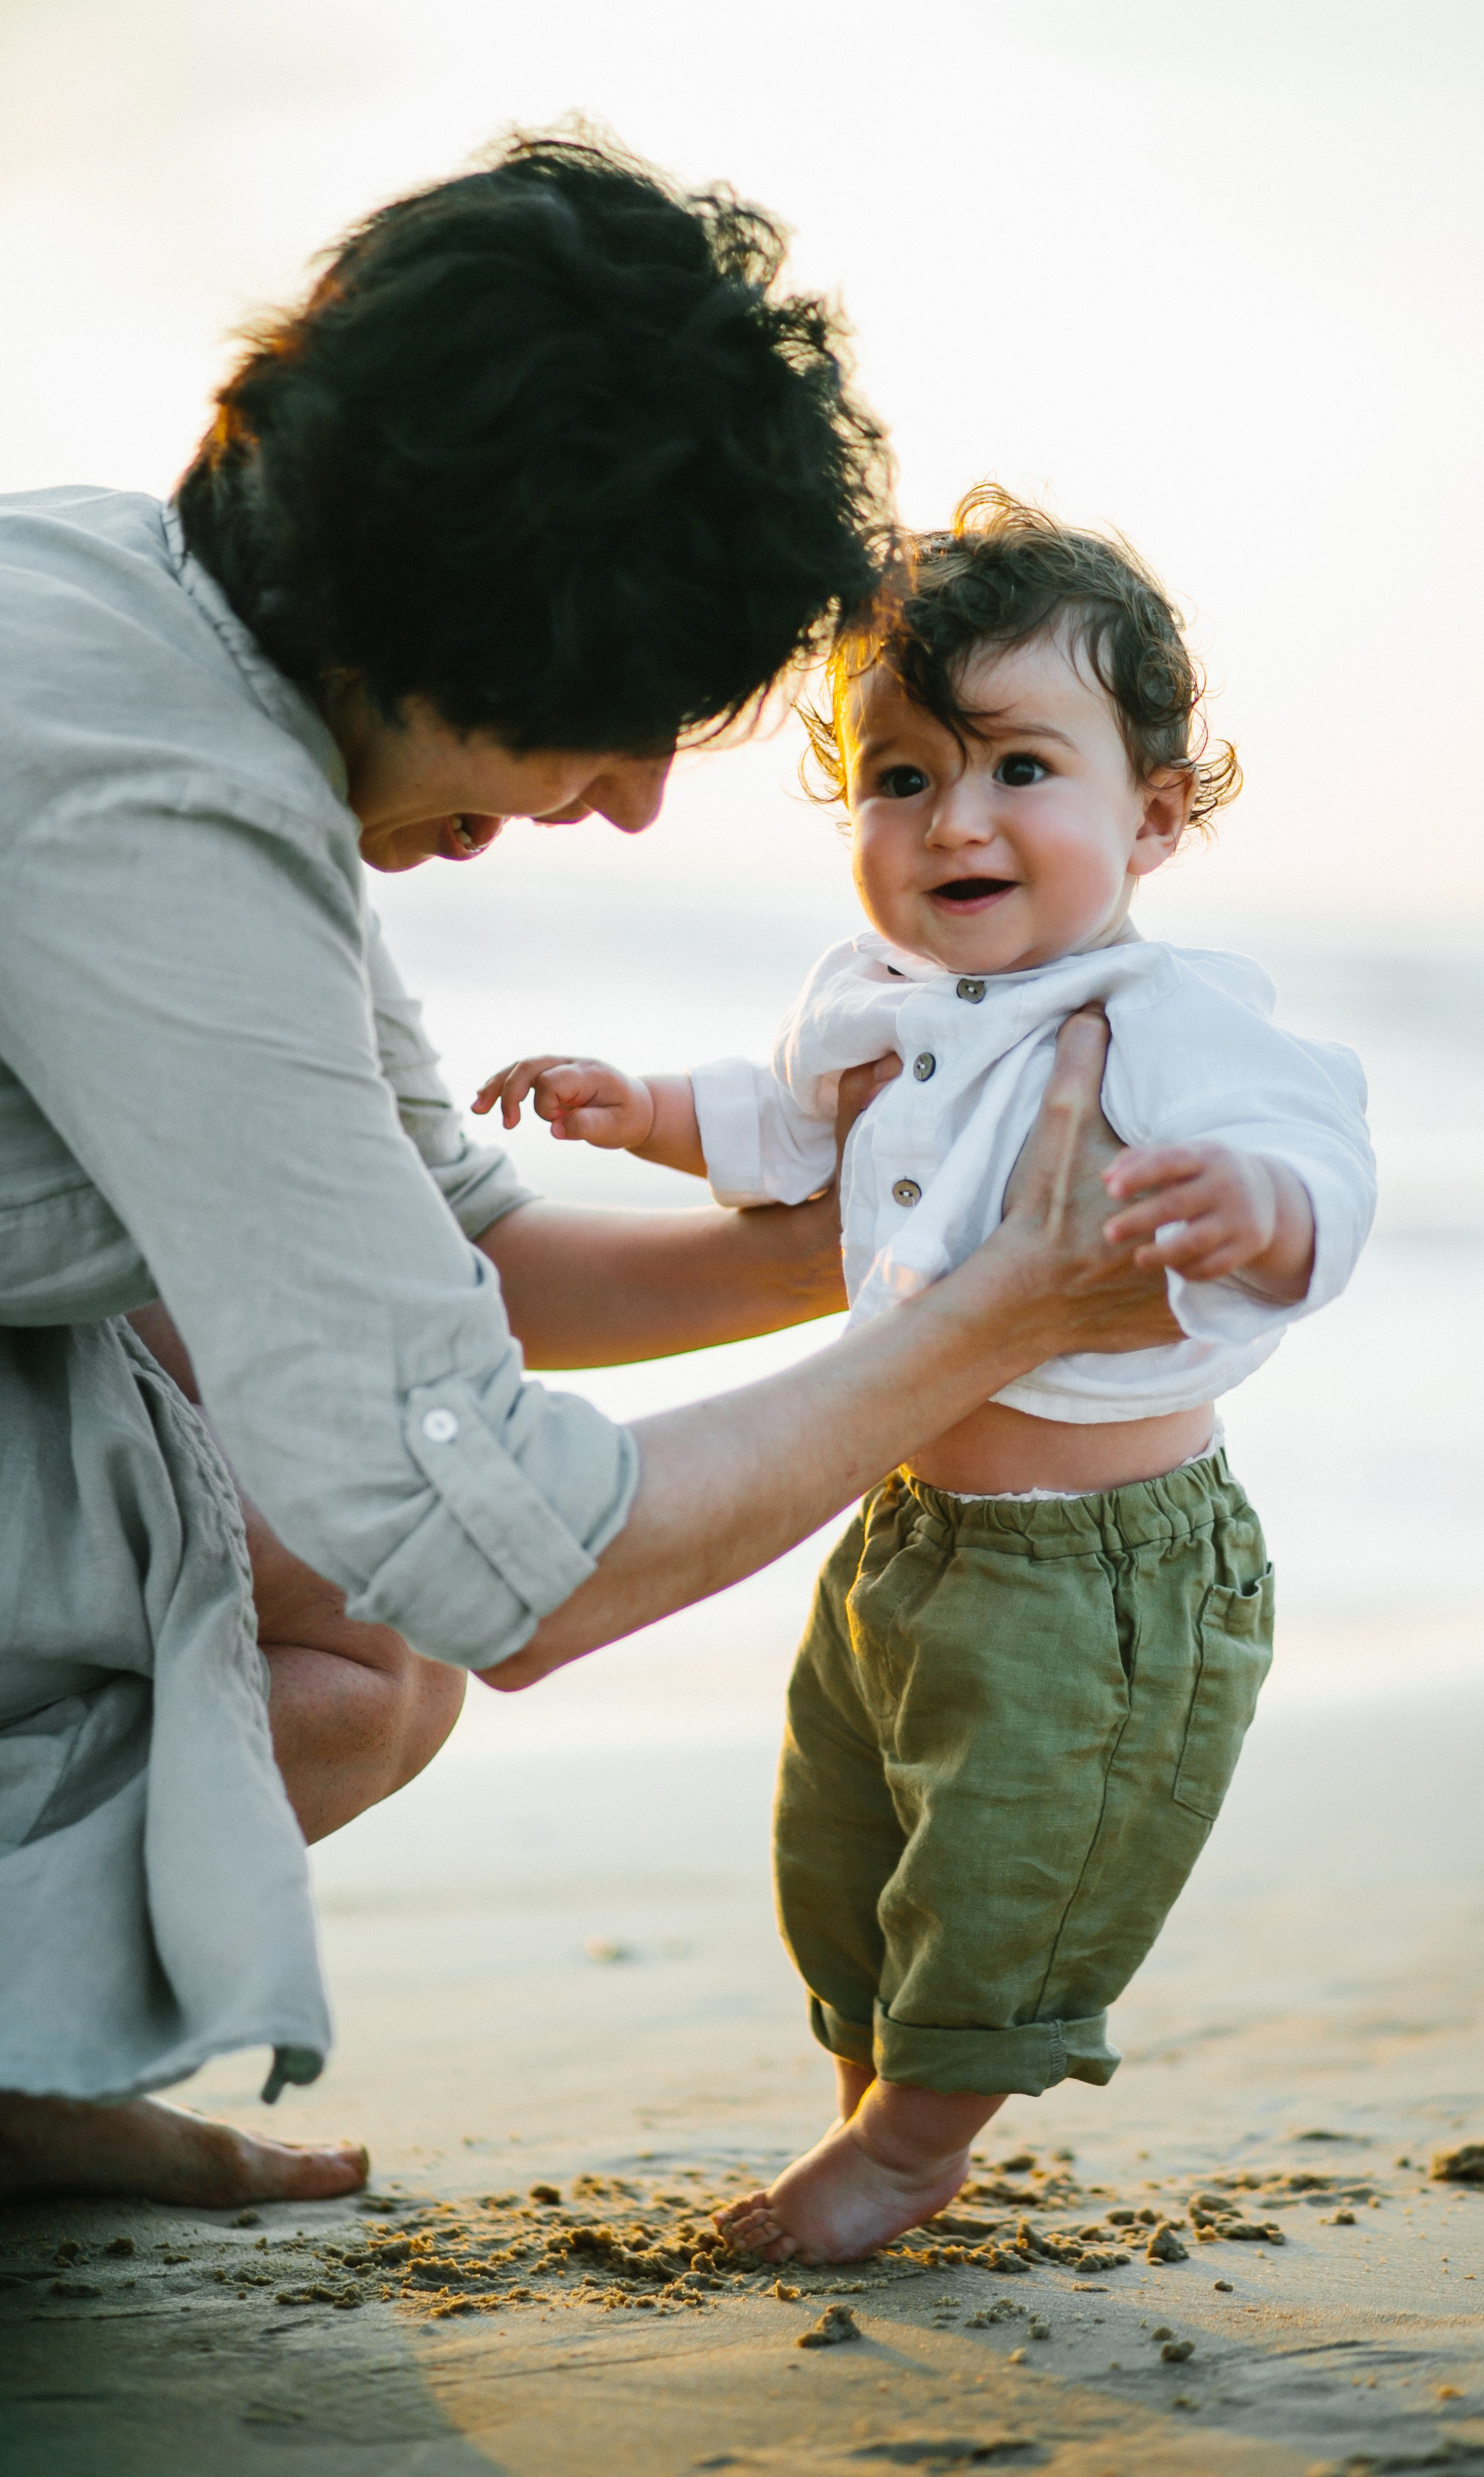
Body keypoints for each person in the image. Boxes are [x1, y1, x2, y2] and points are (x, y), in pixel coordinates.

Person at [0, 145, 1178, 2211]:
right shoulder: (154, 799)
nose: (627, 804)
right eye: (612, 725)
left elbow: (455, 1239)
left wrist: (877, 1235)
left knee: (353, 1657)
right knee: (397, 1598)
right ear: (461, 620)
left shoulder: (154, 625)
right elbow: (513, 1562)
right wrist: (990, 1322)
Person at [471, 489, 1377, 2263]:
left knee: (1014, 1871)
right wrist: (636, 1110)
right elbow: (778, 1132)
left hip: (1105, 1573)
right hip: (902, 1528)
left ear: (1156, 814)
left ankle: (909, 2151)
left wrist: (1253, 1206)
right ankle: (863, 2098)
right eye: (900, 779)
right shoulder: (874, 999)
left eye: (1020, 767)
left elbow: (1320, 1157)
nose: (956, 818)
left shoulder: (1172, 1015)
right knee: (848, 1840)